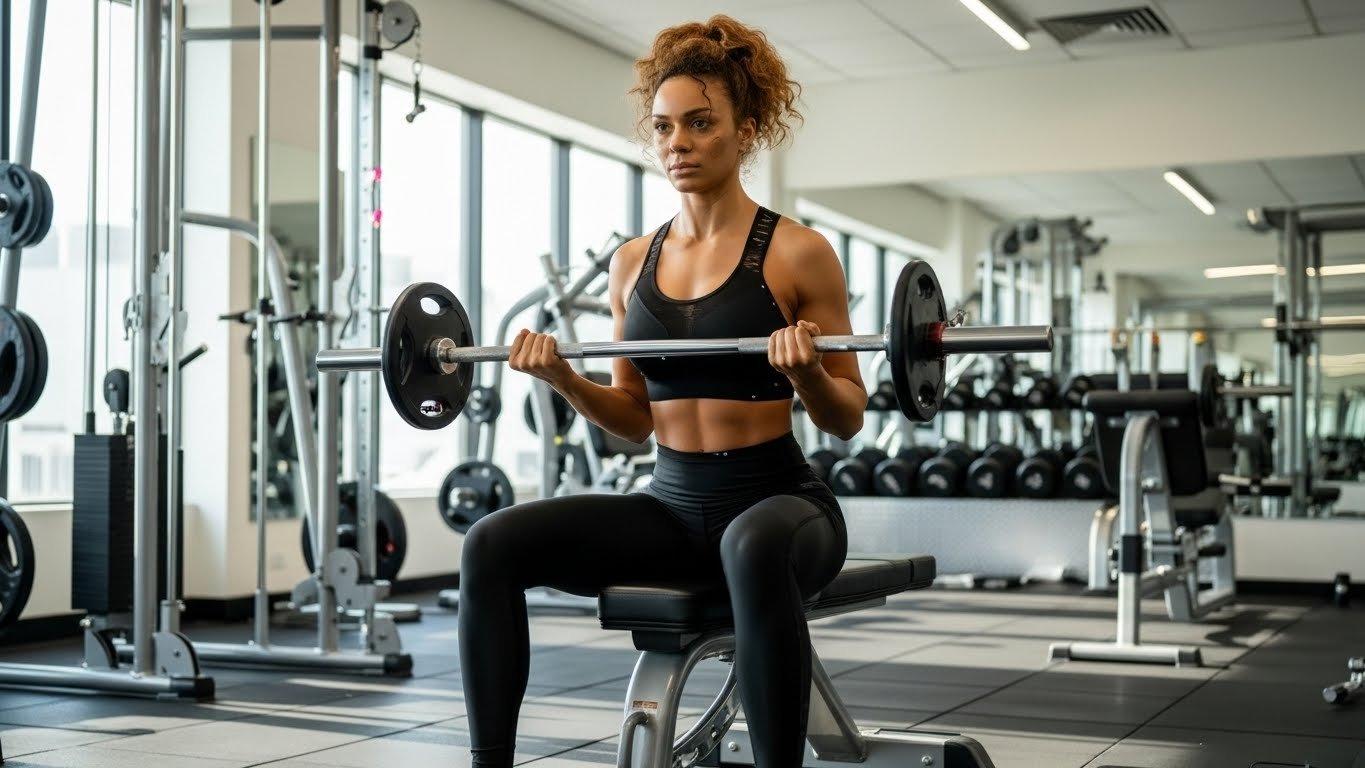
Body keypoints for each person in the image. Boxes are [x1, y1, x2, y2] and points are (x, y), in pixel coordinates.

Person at [457, 14, 867, 768]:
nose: (676, 143)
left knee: (751, 541)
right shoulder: (631, 263)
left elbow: (846, 417)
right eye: (663, 127)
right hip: (671, 508)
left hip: (782, 506)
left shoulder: (799, 251)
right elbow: (633, 422)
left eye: (699, 124)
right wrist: (562, 377)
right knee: (491, 544)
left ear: (745, 131)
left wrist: (807, 371)